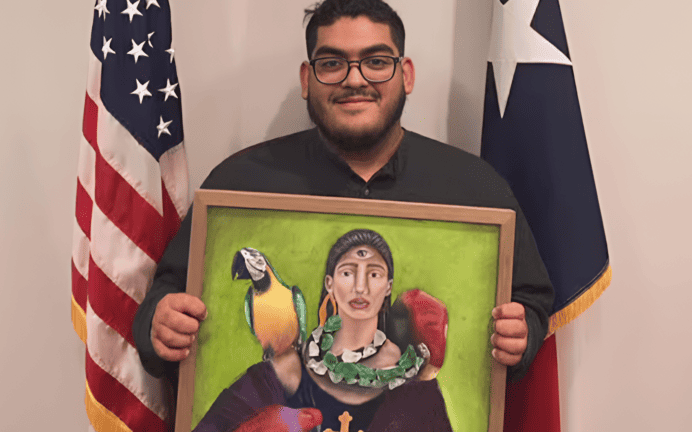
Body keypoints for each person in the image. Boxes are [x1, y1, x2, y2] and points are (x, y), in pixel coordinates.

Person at [133, 0, 554, 427]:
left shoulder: (475, 188)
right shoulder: (238, 184)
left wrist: (523, 334)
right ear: (306, 78)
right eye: (332, 63)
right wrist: (159, 324)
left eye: (375, 61)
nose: (355, 79)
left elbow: (532, 301)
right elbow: (166, 296)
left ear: (405, 74)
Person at [194, 229, 452, 432]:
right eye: (348, 272)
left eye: (374, 274)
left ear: (388, 287)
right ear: (330, 284)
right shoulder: (283, 373)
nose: (360, 287)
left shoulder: (415, 385)